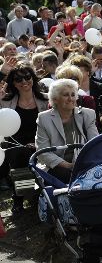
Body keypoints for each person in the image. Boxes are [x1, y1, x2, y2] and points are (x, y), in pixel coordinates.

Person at [0, 64, 49, 212]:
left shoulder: (46, 100)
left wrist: (36, 143)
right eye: (18, 79)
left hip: (41, 140)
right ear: (13, 83)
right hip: (15, 143)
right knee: (19, 154)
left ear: (33, 79)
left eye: (27, 77)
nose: (24, 81)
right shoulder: (6, 101)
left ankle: (38, 194)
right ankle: (20, 196)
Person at [35, 78, 99, 183]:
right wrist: (68, 165)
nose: (70, 99)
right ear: (55, 99)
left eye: (73, 95)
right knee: (65, 174)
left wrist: (83, 164)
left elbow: (94, 144)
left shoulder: (87, 114)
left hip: (83, 163)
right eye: (65, 95)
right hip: (56, 166)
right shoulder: (44, 118)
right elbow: (43, 152)